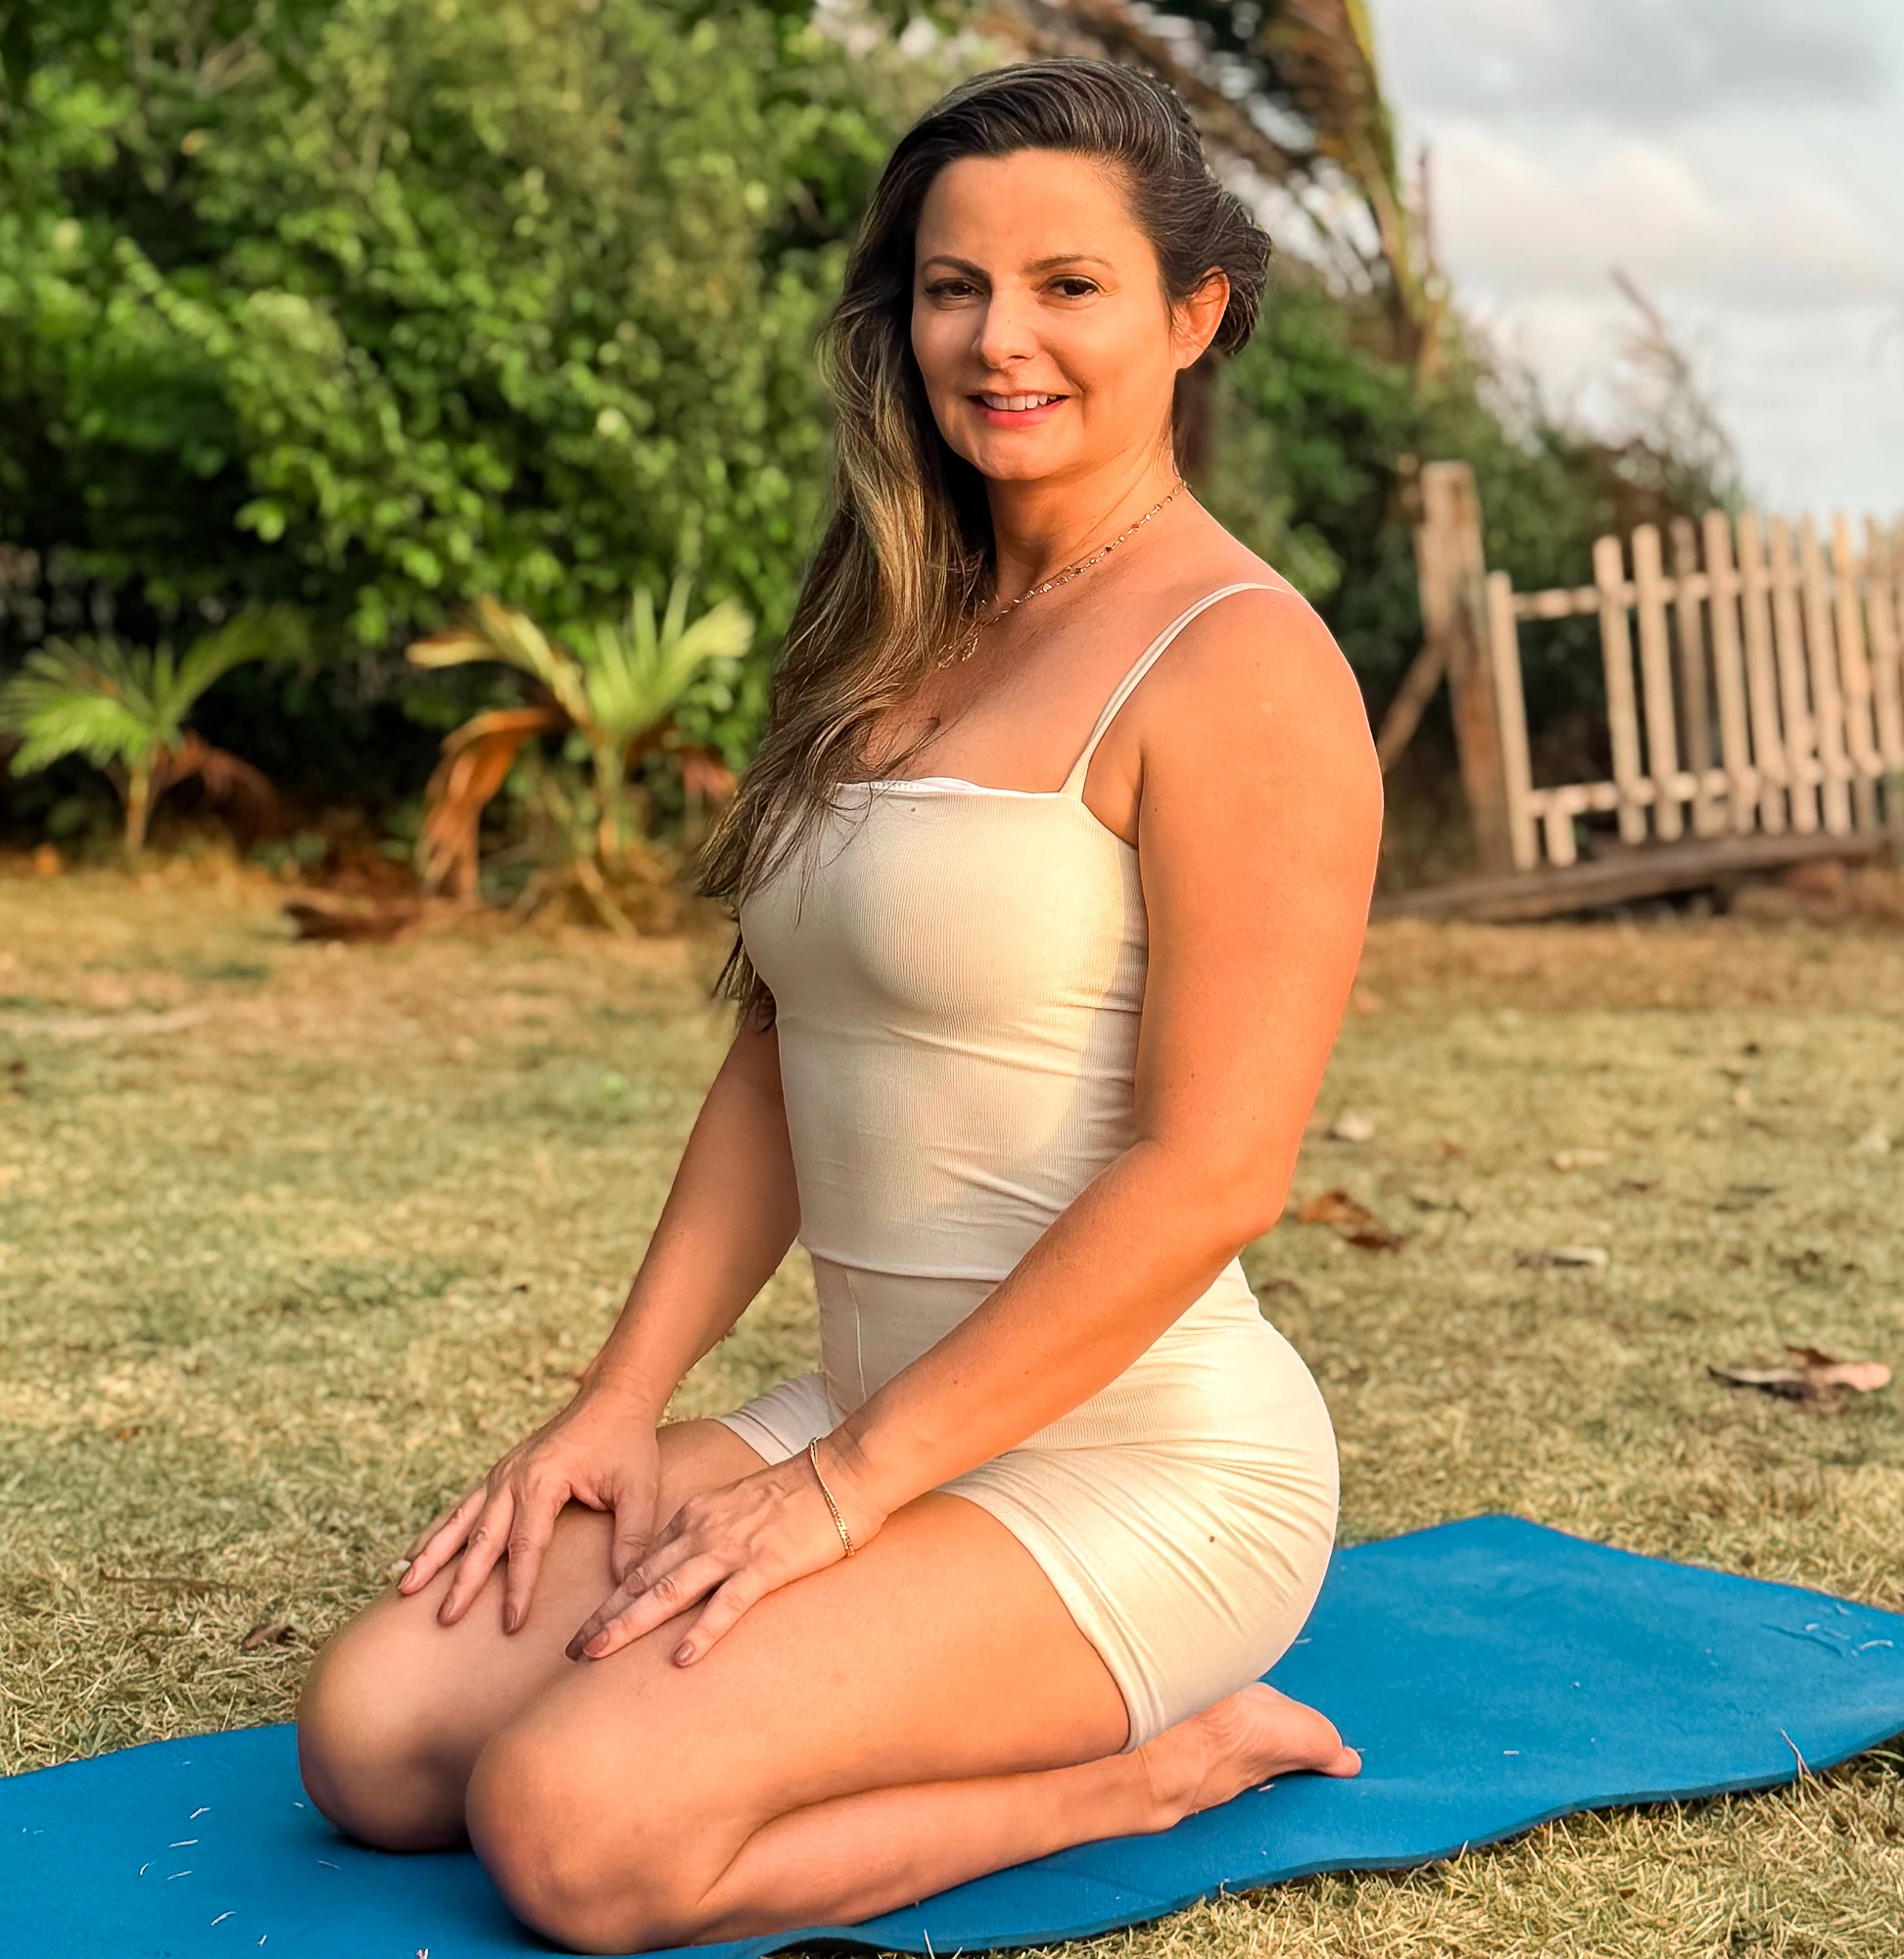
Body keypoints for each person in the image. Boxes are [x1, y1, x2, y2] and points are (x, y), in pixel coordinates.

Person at [296, 56, 1382, 1955]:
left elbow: (1214, 1174)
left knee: (572, 1831)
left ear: (1194, 313)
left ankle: (1151, 1770)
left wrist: (841, 1494)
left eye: (1068, 284)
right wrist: (619, 1407)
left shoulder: (1245, 664)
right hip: (863, 1414)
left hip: (1141, 1465)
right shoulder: (890, 625)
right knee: (378, 1742)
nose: (998, 339)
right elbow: (781, 1049)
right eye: (955, 287)